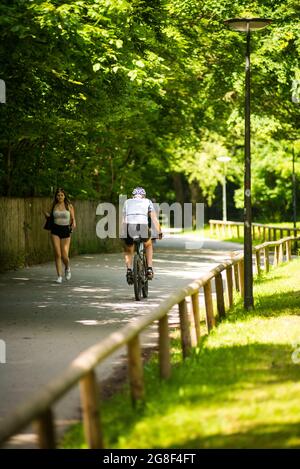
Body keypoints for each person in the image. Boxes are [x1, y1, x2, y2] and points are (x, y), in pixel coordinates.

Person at [122, 187, 162, 285]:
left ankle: (129, 271)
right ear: (143, 196)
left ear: (133, 196)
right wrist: (159, 232)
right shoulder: (147, 202)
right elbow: (154, 219)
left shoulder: (127, 202)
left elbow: (123, 220)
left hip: (129, 228)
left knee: (128, 249)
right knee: (148, 245)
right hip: (143, 227)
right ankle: (149, 269)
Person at [44, 188, 76, 284]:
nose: (60, 197)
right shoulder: (54, 205)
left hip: (65, 230)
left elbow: (73, 219)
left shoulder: (69, 206)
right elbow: (50, 217)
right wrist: (46, 215)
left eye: (62, 195)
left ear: (64, 196)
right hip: (55, 230)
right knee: (57, 254)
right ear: (56, 196)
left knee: (64, 256)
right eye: (58, 195)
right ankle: (59, 276)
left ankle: (67, 267)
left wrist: (73, 224)